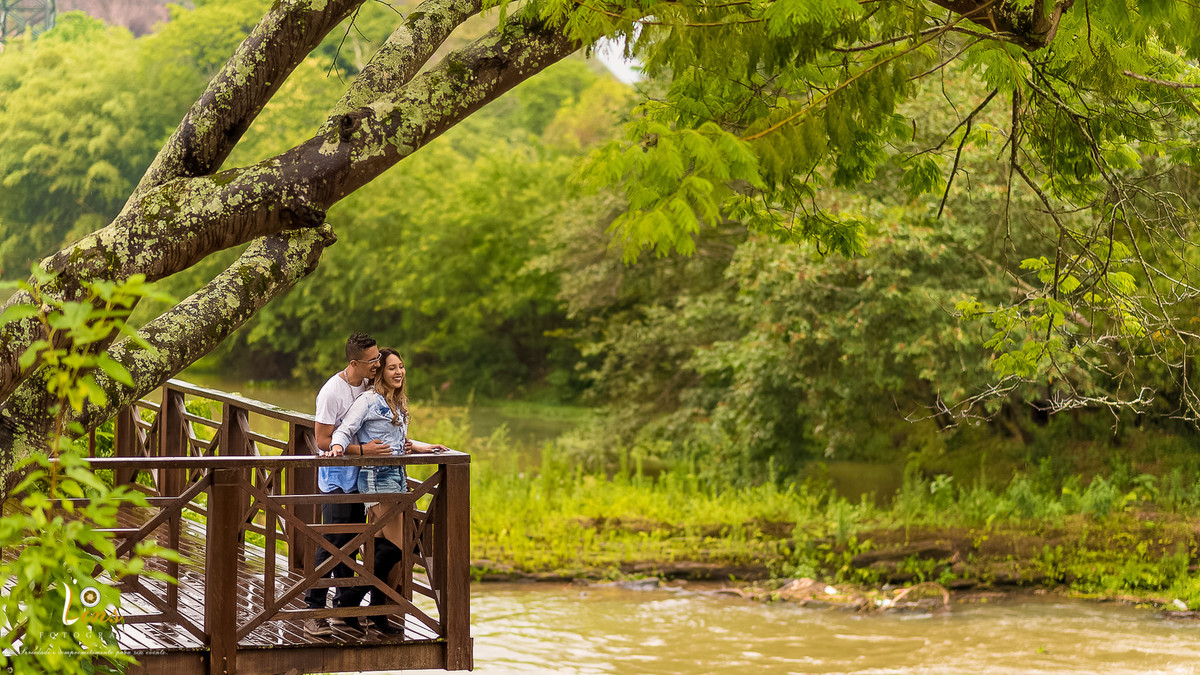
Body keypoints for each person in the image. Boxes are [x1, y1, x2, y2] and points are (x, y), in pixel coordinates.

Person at [329, 349, 447, 630]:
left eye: (401, 367)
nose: (398, 372)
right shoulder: (369, 400)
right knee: (402, 546)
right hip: (376, 480)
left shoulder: (395, 401)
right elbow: (345, 429)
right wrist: (337, 446)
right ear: (380, 372)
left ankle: (375, 612)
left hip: (396, 479)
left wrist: (419, 446)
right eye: (392, 368)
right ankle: (349, 603)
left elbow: (396, 437)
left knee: (385, 548)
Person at [303, 332, 399, 637]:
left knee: (353, 547)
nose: (378, 364)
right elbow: (321, 441)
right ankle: (314, 611)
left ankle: (345, 612)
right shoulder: (333, 392)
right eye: (372, 361)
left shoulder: (370, 386)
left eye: (378, 360)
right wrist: (364, 451)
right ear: (354, 362)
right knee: (332, 546)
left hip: (361, 479)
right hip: (335, 481)